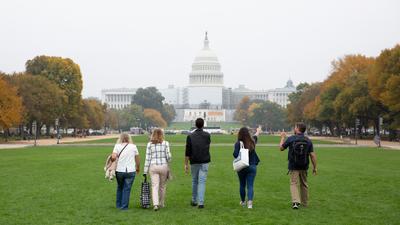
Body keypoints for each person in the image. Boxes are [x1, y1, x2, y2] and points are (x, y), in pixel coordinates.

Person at [279, 122, 317, 209]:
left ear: (298, 129)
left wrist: (282, 137)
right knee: (304, 184)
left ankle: (295, 202)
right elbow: (312, 155)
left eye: (295, 127)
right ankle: (305, 203)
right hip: (304, 165)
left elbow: (281, 148)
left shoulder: (291, 139)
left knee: (293, 183)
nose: (294, 128)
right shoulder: (308, 140)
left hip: (293, 165)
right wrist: (315, 167)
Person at [184, 118, 211, 209]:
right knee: (202, 182)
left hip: (194, 160)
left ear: (195, 125)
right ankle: (201, 202)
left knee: (195, 181)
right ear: (203, 125)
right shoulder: (207, 135)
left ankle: (194, 200)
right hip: (204, 160)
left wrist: (186, 164)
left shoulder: (190, 136)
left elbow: (187, 151)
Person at [143, 128, 172, 211]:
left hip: (153, 166)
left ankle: (155, 205)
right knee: (162, 186)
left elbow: (147, 158)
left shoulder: (149, 144)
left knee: (154, 186)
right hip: (163, 166)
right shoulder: (166, 143)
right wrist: (169, 159)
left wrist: (145, 171)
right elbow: (169, 157)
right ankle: (161, 203)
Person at [233, 126, 261, 209]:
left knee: (242, 184)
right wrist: (258, 131)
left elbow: (235, 155)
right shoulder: (252, 141)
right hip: (252, 166)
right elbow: (256, 136)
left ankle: (242, 201)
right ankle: (250, 203)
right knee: (250, 185)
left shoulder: (238, 143)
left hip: (241, 166)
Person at [111, 133, 140, 210]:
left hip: (119, 170)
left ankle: (118, 205)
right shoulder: (133, 147)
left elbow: (113, 156)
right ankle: (124, 207)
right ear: (129, 138)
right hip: (130, 171)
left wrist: (112, 159)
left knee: (120, 187)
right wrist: (138, 167)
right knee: (127, 189)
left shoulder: (117, 146)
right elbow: (137, 159)